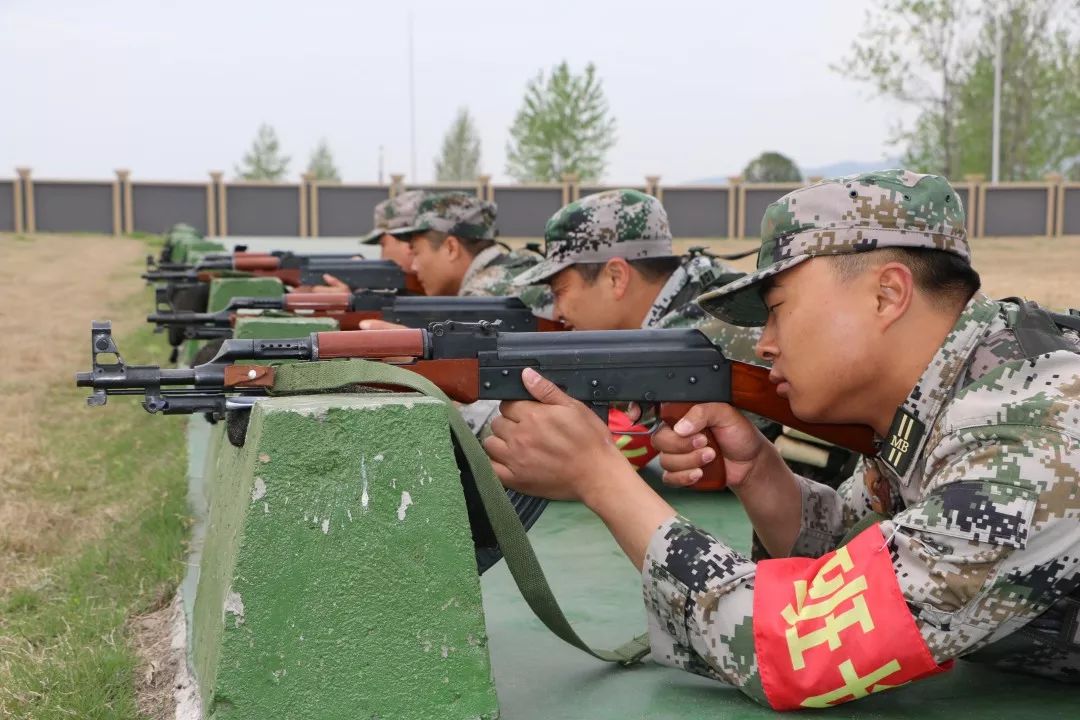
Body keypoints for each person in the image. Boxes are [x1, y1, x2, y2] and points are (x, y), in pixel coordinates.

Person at [480, 170, 1080, 709]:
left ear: (887, 294)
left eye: (778, 309)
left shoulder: (1033, 437)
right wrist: (760, 473)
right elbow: (860, 543)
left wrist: (601, 478)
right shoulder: (956, 389)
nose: (765, 344)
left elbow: (800, 648)